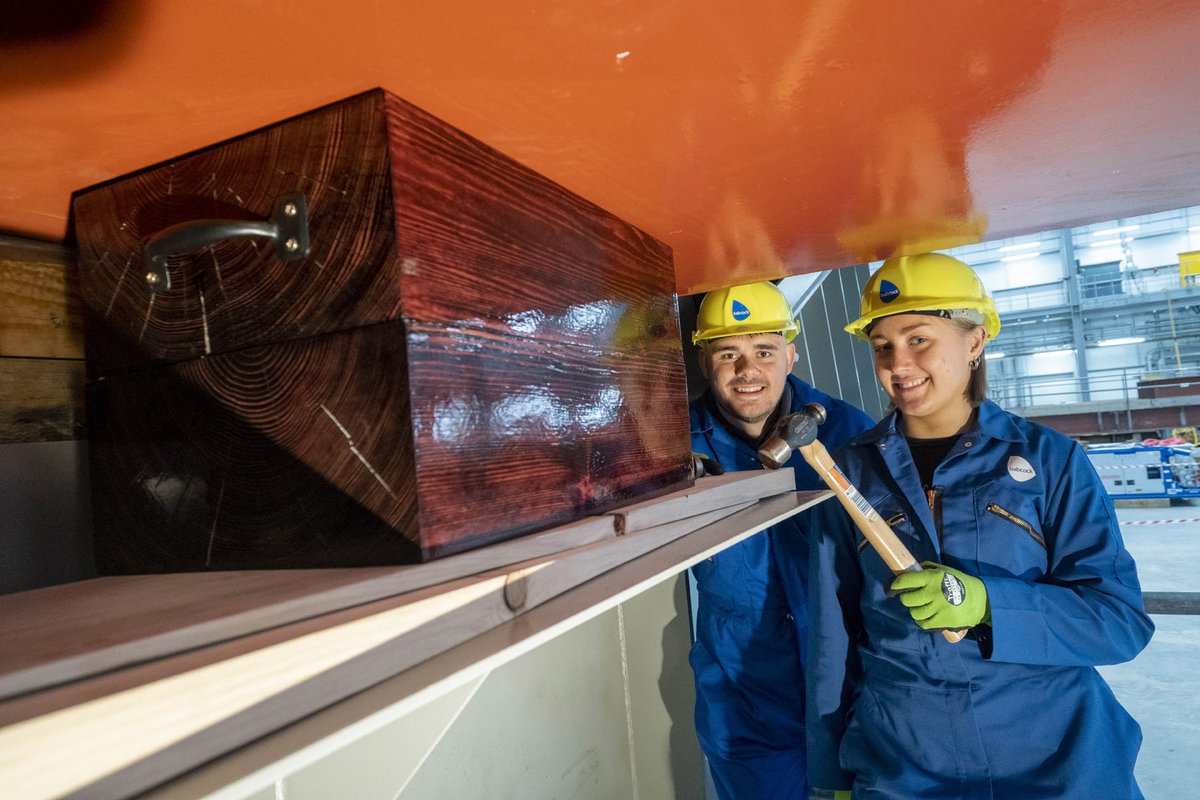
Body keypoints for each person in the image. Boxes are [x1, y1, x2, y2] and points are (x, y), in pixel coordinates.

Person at [788, 253, 1154, 800]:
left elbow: (1119, 622)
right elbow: (832, 635)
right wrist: (828, 778)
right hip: (903, 761)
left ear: (975, 341)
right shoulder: (848, 472)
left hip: (1053, 755)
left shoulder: (1051, 460)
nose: (898, 364)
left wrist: (987, 605)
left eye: (918, 339)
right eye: (882, 346)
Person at [688, 281, 874, 800]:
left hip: (847, 682)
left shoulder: (848, 433)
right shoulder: (674, 445)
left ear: (790, 356)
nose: (747, 371)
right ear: (705, 362)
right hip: (742, 693)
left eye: (764, 352)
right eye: (728, 354)